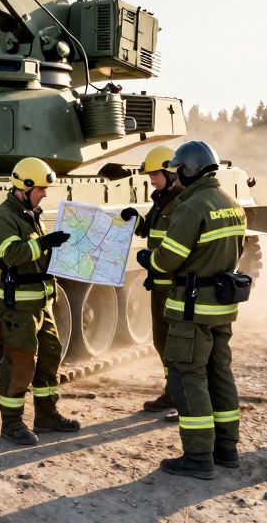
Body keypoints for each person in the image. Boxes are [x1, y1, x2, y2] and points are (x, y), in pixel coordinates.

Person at [136, 140, 246, 479]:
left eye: (175, 170)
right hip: (221, 307)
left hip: (191, 308)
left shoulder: (192, 207)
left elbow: (168, 258)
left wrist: (147, 260)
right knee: (219, 373)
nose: (174, 176)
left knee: (188, 376)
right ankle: (227, 448)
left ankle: (198, 456)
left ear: (188, 169)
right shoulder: (231, 204)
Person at [0, 156, 80, 445]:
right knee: (19, 362)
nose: (44, 194)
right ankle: (12, 424)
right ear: (23, 188)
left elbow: (37, 255)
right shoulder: (4, 217)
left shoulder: (30, 214)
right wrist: (44, 243)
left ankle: (46, 415)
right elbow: (11, 255)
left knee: (50, 355)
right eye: (40, 189)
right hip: (19, 305)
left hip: (42, 301)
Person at [120, 145, 183, 413]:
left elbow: (178, 247)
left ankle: (182, 397)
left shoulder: (181, 202)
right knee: (161, 340)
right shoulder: (161, 198)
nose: (151, 179)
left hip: (175, 285)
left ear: (170, 172)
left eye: (155, 174)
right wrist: (134, 218)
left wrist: (155, 265)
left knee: (177, 343)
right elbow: (149, 229)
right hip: (160, 282)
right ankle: (172, 391)